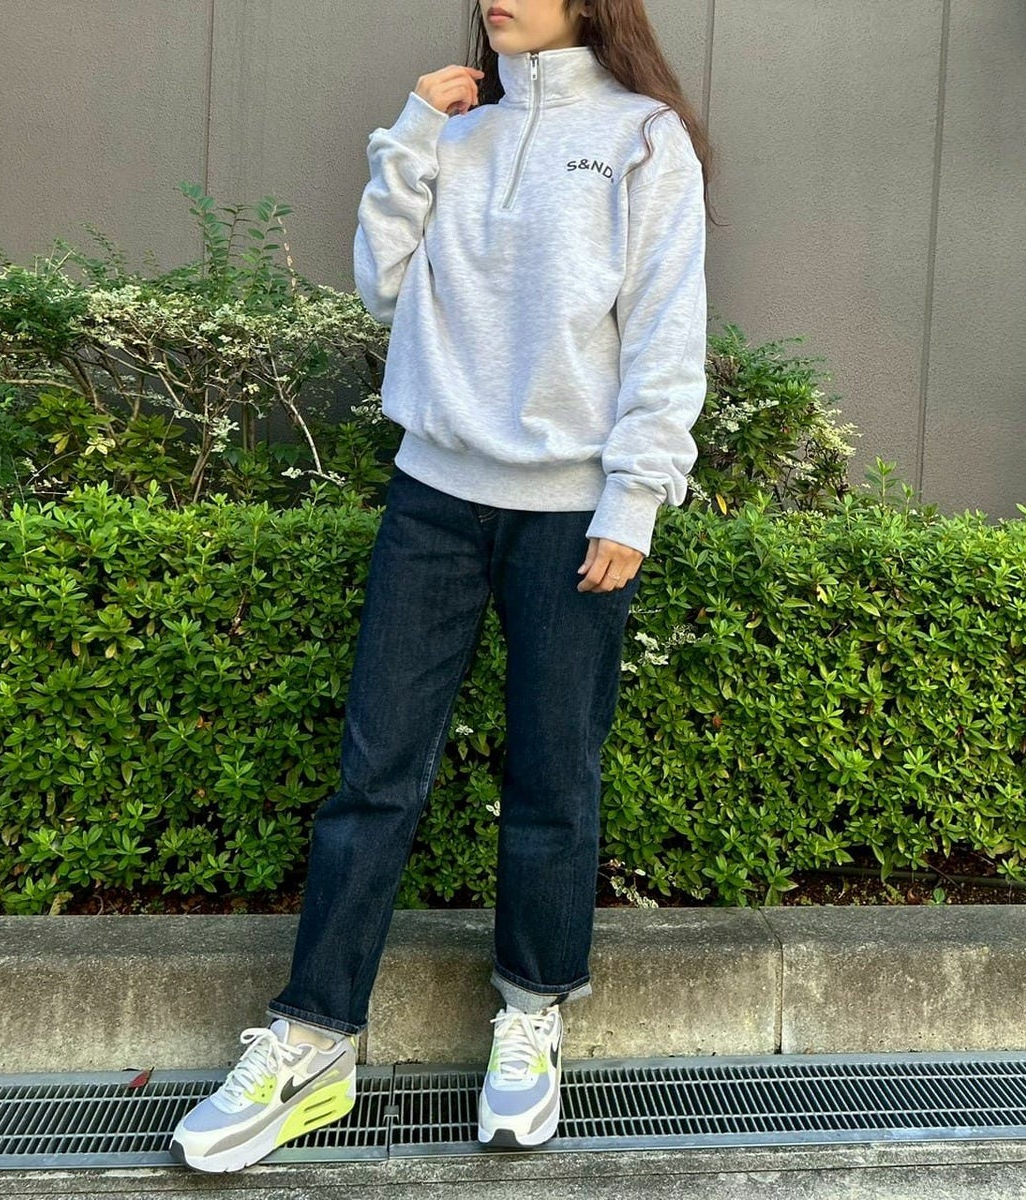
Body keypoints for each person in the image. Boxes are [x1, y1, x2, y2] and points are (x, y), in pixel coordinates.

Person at [170, 0, 712, 1172]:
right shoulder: (455, 131)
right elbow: (382, 286)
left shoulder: (641, 136)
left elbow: (667, 325)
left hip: (570, 511)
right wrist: (413, 135)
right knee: (374, 776)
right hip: (432, 497)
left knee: (554, 773)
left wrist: (635, 496)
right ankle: (314, 1039)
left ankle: (532, 1013)